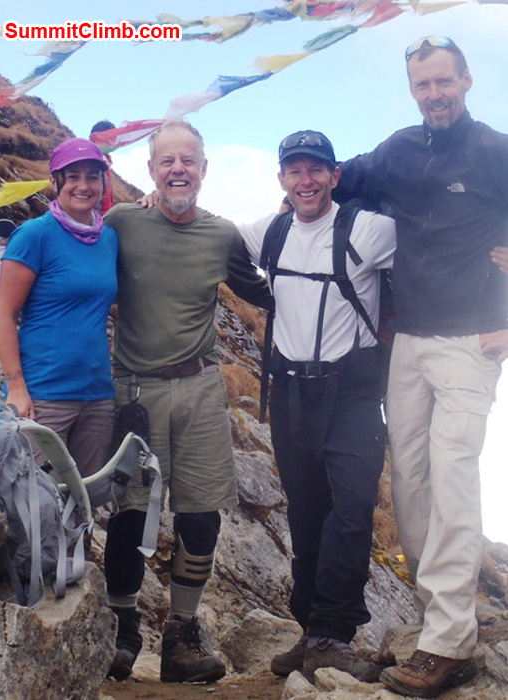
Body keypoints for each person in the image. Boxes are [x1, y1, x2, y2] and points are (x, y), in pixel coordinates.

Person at [334, 37, 508, 698]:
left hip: (473, 343)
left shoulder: (494, 151)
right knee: (408, 483)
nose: (433, 95)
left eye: (442, 82)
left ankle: (447, 644)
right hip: (406, 340)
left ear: (465, 80)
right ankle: (440, 618)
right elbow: (329, 178)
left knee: (452, 479)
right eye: (421, 85)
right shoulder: (396, 150)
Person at [102, 119, 272, 684]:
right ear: (151, 171)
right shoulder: (123, 221)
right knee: (131, 510)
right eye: (166, 161)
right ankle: (122, 628)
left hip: (200, 387)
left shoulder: (222, 235)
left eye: (188, 161)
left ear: (203, 168)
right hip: (135, 388)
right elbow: (77, 264)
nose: (178, 169)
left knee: (200, 513)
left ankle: (181, 633)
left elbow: (267, 291)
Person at [238, 131, 396, 683]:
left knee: (351, 514)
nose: (305, 181)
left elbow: (437, 245)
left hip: (352, 394)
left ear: (334, 175)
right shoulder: (270, 232)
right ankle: (311, 630)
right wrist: (150, 204)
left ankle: (333, 633)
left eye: (316, 170)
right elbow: (211, 240)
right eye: (294, 171)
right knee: (305, 513)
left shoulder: (368, 230)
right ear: (282, 178)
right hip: (290, 394)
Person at [0, 137, 118, 479]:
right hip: (43, 397)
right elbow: (4, 314)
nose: (83, 185)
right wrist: (16, 386)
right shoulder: (34, 235)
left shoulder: (108, 239)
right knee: (36, 508)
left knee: (84, 507)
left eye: (92, 176)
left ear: (103, 182)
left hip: (97, 397)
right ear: (55, 181)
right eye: (72, 175)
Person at [90, 120, 116, 215]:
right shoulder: (88, 161)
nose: (112, 142)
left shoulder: (106, 162)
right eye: (108, 138)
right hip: (95, 221)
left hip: (105, 220)